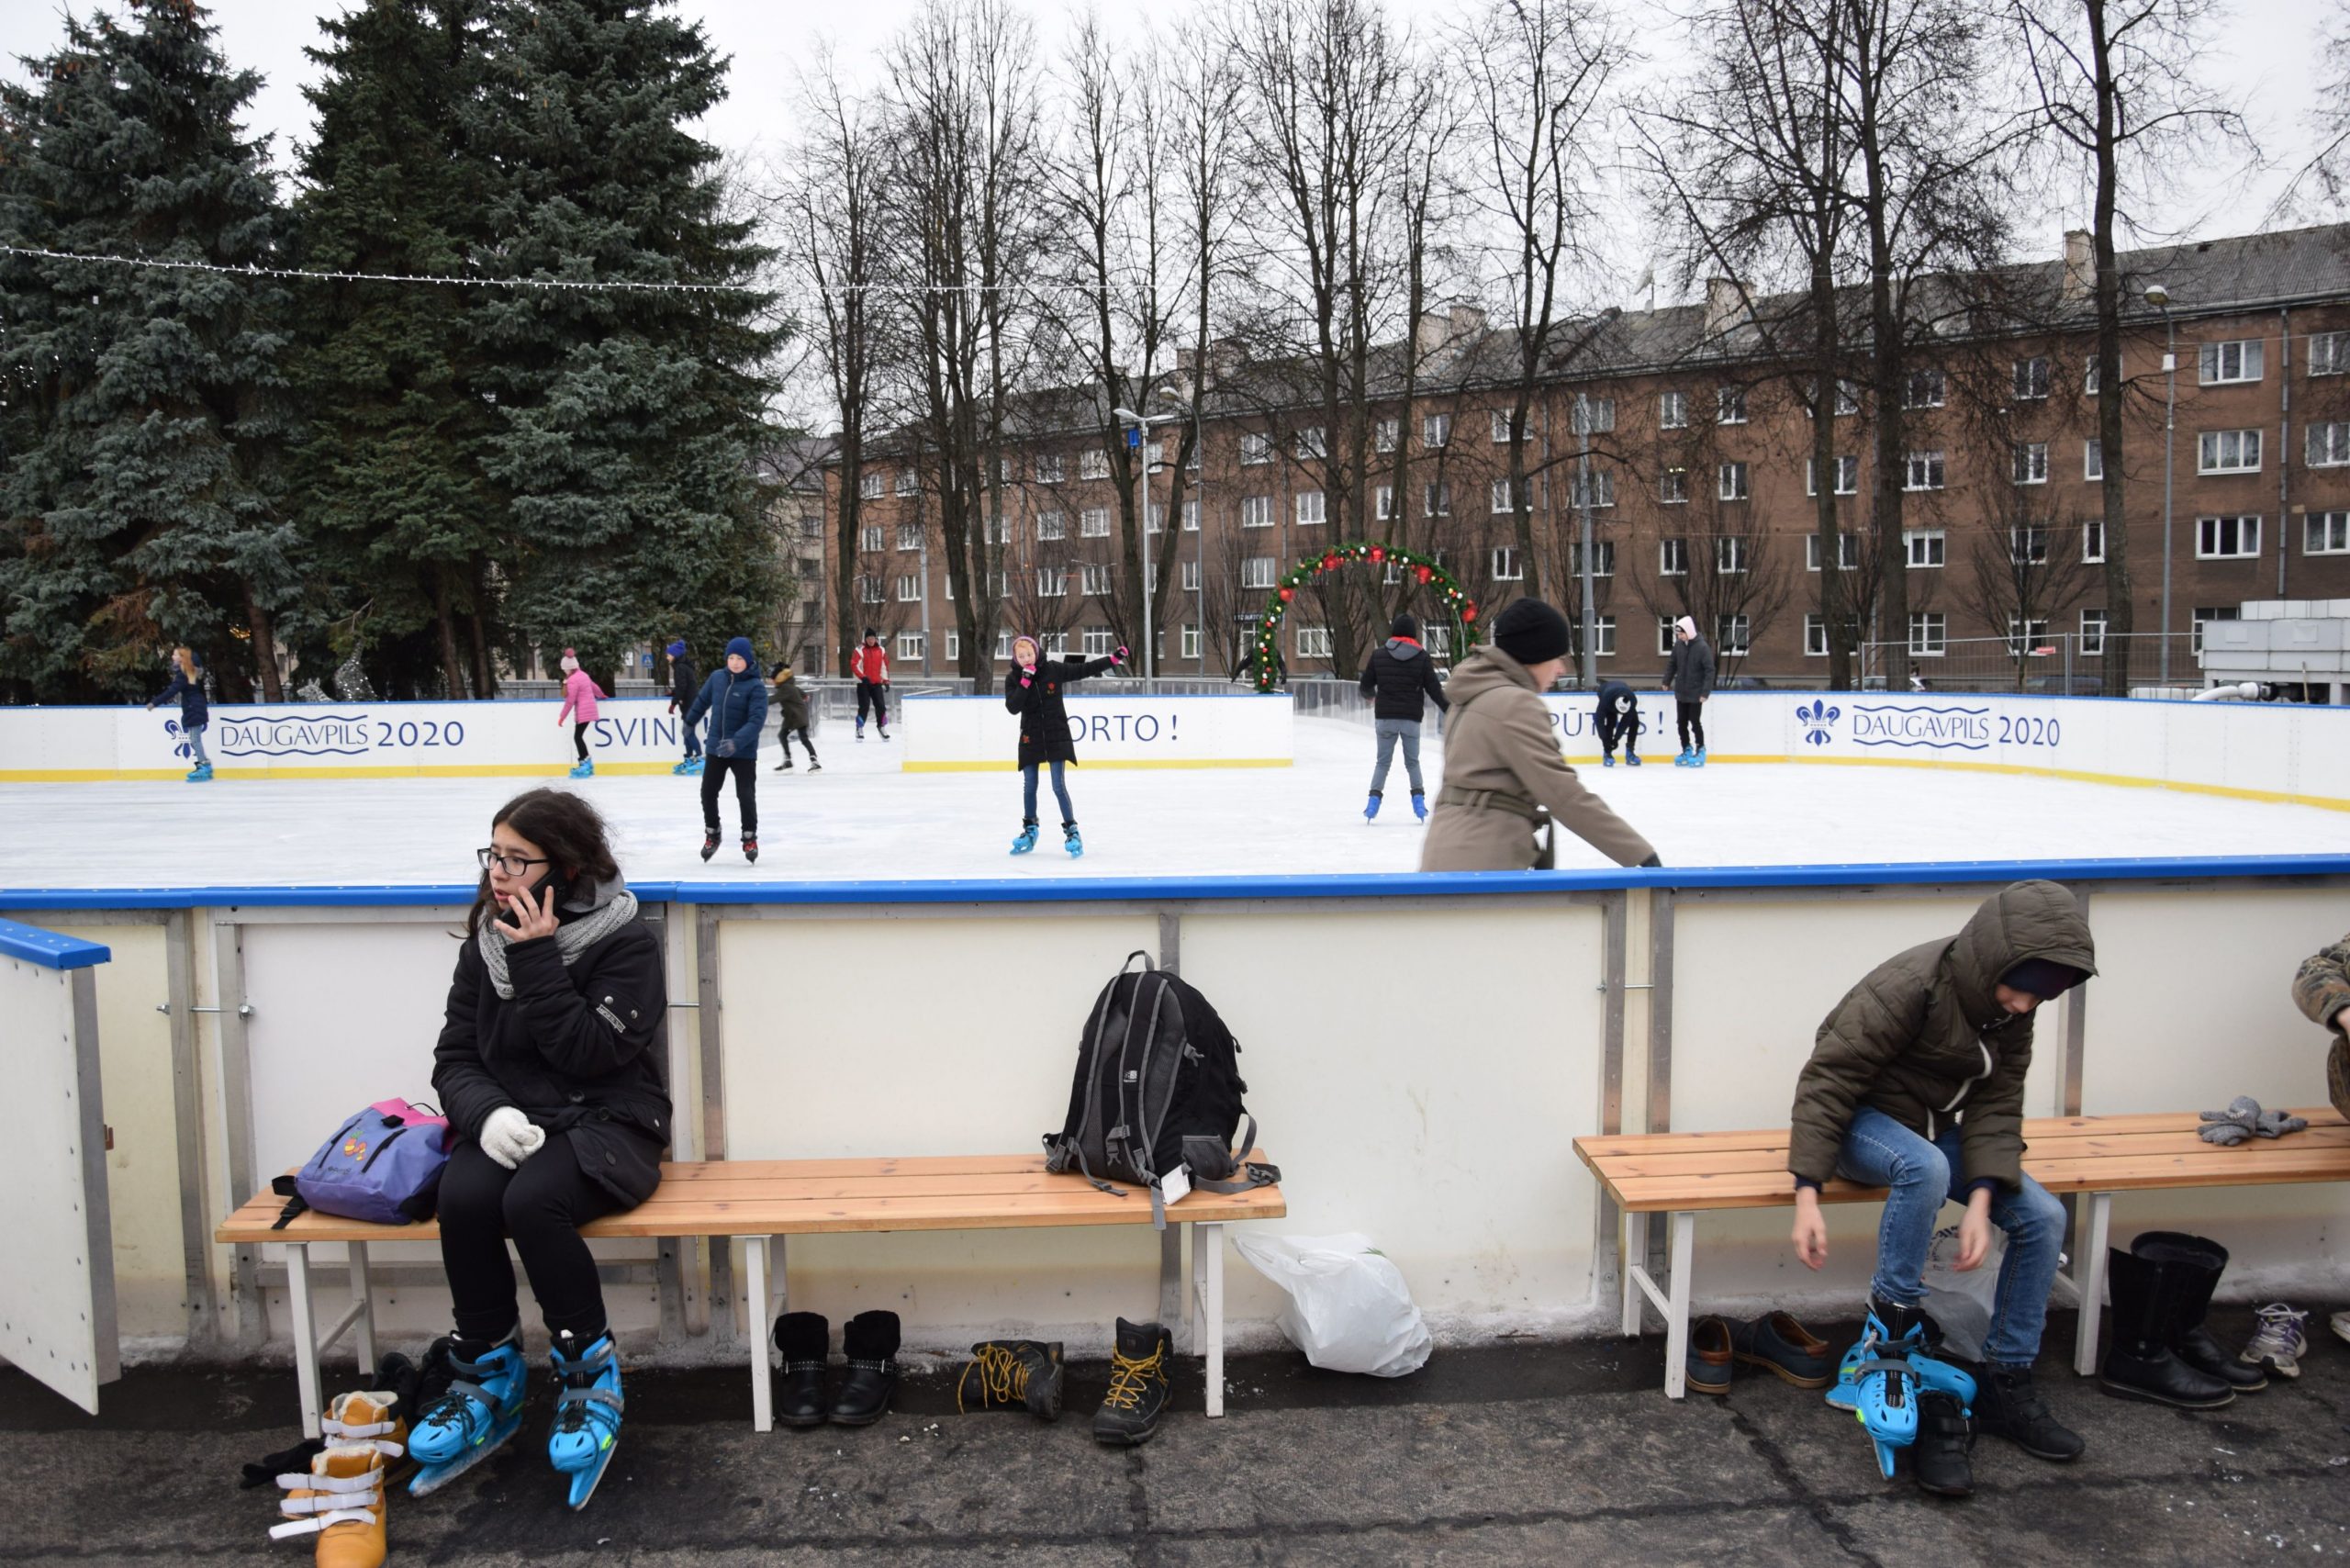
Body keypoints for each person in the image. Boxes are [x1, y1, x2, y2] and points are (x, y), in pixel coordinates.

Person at [1787, 879, 2095, 1496]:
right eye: (2022, 989)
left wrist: (1981, 1198)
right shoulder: (1911, 985)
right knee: (1924, 1167)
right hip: (1862, 1124)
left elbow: (1998, 1104)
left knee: (2042, 1216)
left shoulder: (2014, 1010)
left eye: (2042, 997)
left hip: (1936, 1131)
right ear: (1995, 962)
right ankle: (1891, 1342)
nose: (2026, 1006)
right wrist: (1807, 1195)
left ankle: (2006, 1378)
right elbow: (1828, 1080)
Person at [409, 788, 668, 1509]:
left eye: (517, 859)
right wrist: (487, 1115)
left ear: (566, 867)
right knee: (462, 1195)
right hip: (518, 1118)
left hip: (611, 1121)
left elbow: (590, 1053)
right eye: (493, 854)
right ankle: (487, 1371)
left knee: (532, 1201)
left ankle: (589, 1371)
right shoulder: (485, 943)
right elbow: (455, 1058)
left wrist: (536, 957)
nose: (498, 872)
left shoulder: (626, 942)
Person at [1419, 599, 1660, 872]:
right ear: (1535, 654)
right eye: (1556, 657)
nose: (1561, 669)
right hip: (1484, 857)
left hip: (1446, 851)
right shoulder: (1515, 704)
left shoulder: (1472, 694)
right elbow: (1564, 795)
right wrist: (1642, 856)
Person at [1004, 632, 1125, 857]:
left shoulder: (1052, 669)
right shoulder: (1013, 678)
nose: (1026, 659)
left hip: (1056, 734)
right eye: (1021, 656)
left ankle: (1072, 831)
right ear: (1016, 658)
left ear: (1036, 652)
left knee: (1058, 785)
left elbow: (1083, 669)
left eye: (1029, 654)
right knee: (1029, 785)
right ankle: (1030, 830)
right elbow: (1013, 707)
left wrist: (1112, 659)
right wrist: (1024, 683)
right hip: (1030, 737)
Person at [684, 637, 768, 863]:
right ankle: (713, 832)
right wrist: (690, 721)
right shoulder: (717, 678)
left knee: (745, 795)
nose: (735, 662)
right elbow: (702, 701)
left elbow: (756, 721)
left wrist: (736, 742)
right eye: (731, 657)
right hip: (716, 748)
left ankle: (749, 837)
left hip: (743, 751)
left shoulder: (756, 687)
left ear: (748, 660)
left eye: (739, 658)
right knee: (708, 792)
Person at [1358, 612, 1449, 822]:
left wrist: (1371, 696)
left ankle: (1372, 804)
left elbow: (1366, 684)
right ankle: (1419, 805)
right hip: (1411, 718)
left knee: (1382, 763)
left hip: (1385, 717)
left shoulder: (1379, 655)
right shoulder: (1422, 657)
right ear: (1413, 634)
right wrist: (1450, 709)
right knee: (1413, 763)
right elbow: (1434, 690)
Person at [146, 645, 212, 783]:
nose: (172, 657)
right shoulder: (189, 672)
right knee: (195, 739)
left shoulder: (184, 675)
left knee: (195, 739)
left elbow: (171, 691)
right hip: (195, 706)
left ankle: (204, 767)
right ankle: (205, 765)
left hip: (193, 708)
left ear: (182, 658)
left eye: (175, 655)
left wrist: (154, 703)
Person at [1664, 616, 1715, 767]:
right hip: (1681, 691)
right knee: (1681, 722)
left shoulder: (1702, 647)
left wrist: (1705, 692)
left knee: (1694, 721)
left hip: (1696, 693)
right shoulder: (1679, 646)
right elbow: (1672, 664)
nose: (1679, 637)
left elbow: (1710, 671)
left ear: (1689, 631)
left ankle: (1701, 749)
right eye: (1678, 634)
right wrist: (1666, 681)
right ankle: (1686, 748)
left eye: (1681, 634)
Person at [555, 649, 604, 779]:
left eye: (564, 669)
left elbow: (570, 701)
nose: (564, 672)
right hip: (590, 709)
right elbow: (594, 687)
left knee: (577, 737)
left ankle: (586, 764)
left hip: (583, 711)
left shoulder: (572, 680)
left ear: (568, 668)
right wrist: (601, 695)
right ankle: (586, 764)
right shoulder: (583, 675)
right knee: (578, 736)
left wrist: (562, 717)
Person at [769, 659, 820, 773]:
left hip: (798, 716)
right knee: (782, 735)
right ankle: (788, 761)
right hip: (791, 717)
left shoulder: (786, 688)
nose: (771, 681)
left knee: (803, 738)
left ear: (778, 678)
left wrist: (756, 701)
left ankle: (815, 761)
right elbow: (805, 696)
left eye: (772, 679)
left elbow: (772, 699)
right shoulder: (789, 686)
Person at [666, 640, 701, 776]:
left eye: (669, 655)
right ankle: (690, 758)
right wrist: (673, 693)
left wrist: (673, 703)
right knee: (687, 732)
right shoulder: (684, 667)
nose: (667, 657)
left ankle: (699, 758)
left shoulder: (680, 667)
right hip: (691, 704)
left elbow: (682, 687)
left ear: (675, 655)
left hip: (690, 705)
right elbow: (685, 686)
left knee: (688, 732)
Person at [851, 629, 891, 741]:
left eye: (873, 638)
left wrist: (886, 681)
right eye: (869, 638)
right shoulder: (859, 650)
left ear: (876, 639)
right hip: (863, 683)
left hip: (876, 683)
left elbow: (884, 666)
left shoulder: (881, 650)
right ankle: (859, 728)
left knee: (881, 706)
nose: (871, 640)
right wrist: (862, 677)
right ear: (865, 639)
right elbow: (854, 665)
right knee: (864, 706)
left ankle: (881, 727)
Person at [1594, 678, 1643, 767]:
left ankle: (1630, 752)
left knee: (1635, 722)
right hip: (1606, 692)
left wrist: (1616, 738)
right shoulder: (1606, 700)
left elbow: (1625, 722)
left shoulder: (1632, 701)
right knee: (1611, 722)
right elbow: (1599, 720)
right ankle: (1607, 753)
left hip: (1622, 690)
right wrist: (1605, 741)